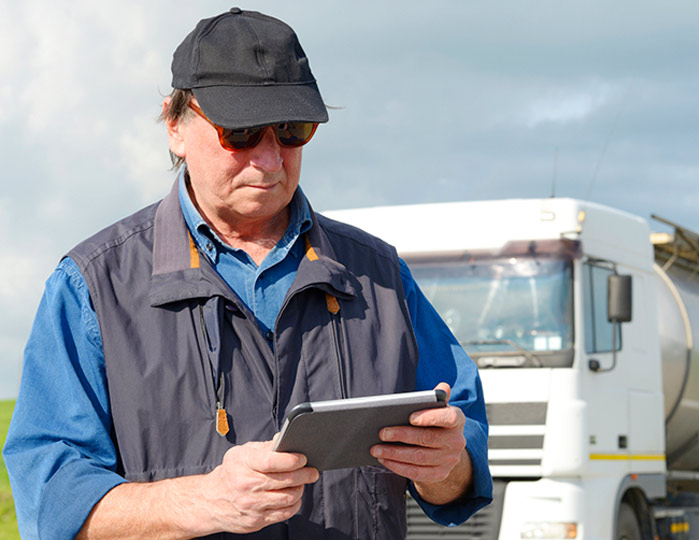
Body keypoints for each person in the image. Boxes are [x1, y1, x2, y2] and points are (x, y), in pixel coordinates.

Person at [3, 8, 492, 539]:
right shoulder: (92, 288)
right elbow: (49, 502)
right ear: (175, 125)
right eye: (240, 131)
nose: (269, 159)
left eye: (291, 130)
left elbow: (462, 466)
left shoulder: (380, 276)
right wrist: (202, 502)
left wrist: (448, 465)